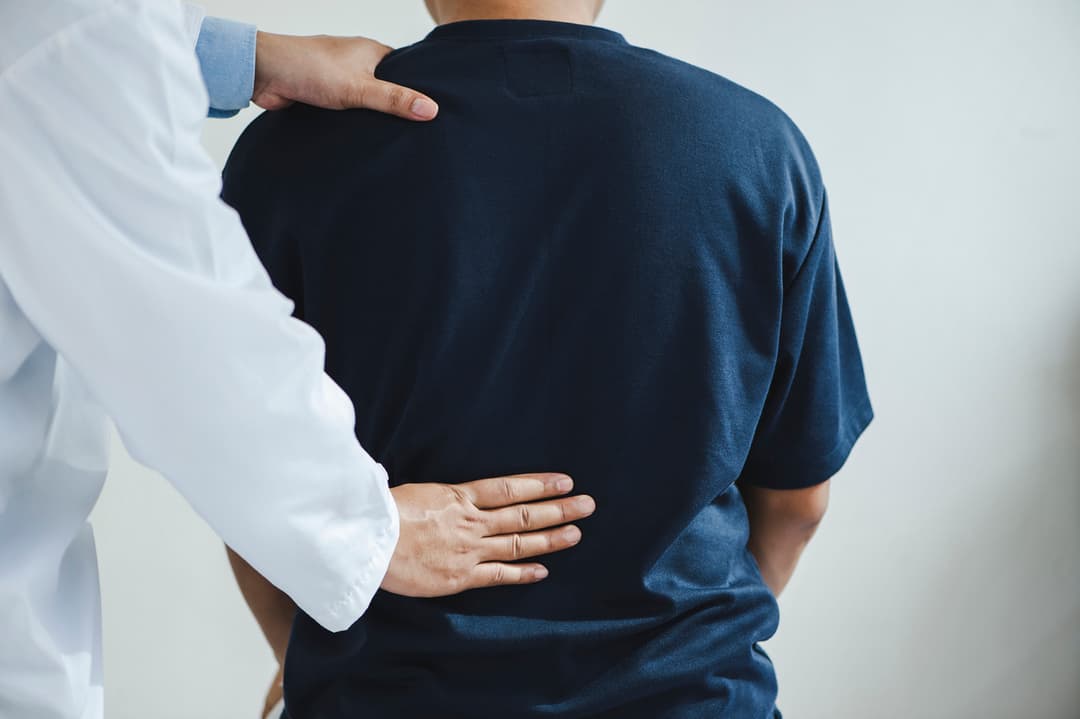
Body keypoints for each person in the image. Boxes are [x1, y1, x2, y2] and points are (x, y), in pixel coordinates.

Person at [222, 0, 874, 717]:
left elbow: (242, 485)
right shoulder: (758, 148)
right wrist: (689, 651)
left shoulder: (286, 153)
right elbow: (799, 499)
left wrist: (303, 659)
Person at [0, 2, 596, 719]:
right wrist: (369, 531)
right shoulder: (755, 146)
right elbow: (180, 327)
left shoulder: (292, 153)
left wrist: (235, 58)